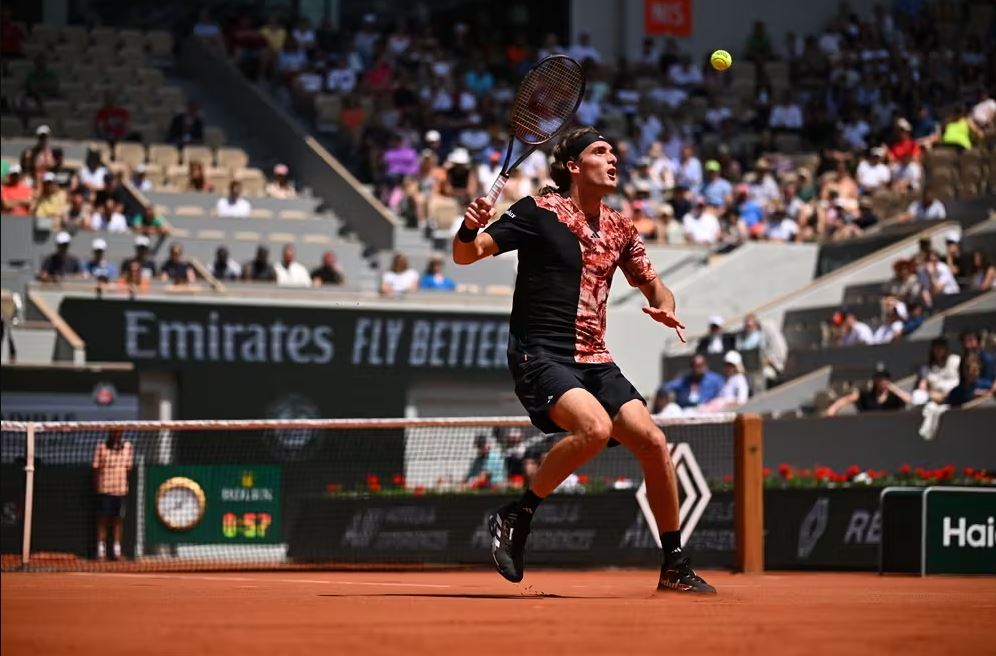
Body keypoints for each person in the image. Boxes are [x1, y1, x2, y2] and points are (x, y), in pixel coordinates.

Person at [453, 127, 714, 593]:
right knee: (594, 429)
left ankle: (673, 562)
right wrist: (470, 224)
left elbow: (654, 284)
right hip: (542, 355)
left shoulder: (619, 226)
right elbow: (466, 254)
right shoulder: (537, 211)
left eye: (614, 151)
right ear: (573, 166)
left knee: (653, 442)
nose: (613, 158)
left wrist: (666, 306)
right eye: (600, 151)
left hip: (595, 358)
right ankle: (517, 515)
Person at [92, 429, 133, 561]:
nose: (117, 435)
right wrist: (97, 487)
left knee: (117, 521)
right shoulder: (101, 447)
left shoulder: (127, 447)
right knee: (103, 520)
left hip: (120, 490)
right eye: (114, 433)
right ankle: (101, 551)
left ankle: (117, 551)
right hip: (105, 489)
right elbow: (96, 468)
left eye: (119, 433)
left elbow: (129, 468)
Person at [825, 369, 910, 416]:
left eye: (885, 379)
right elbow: (848, 399)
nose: (883, 382)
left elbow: (909, 400)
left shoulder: (894, 397)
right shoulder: (866, 396)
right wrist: (834, 408)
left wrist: (893, 388)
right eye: (880, 380)